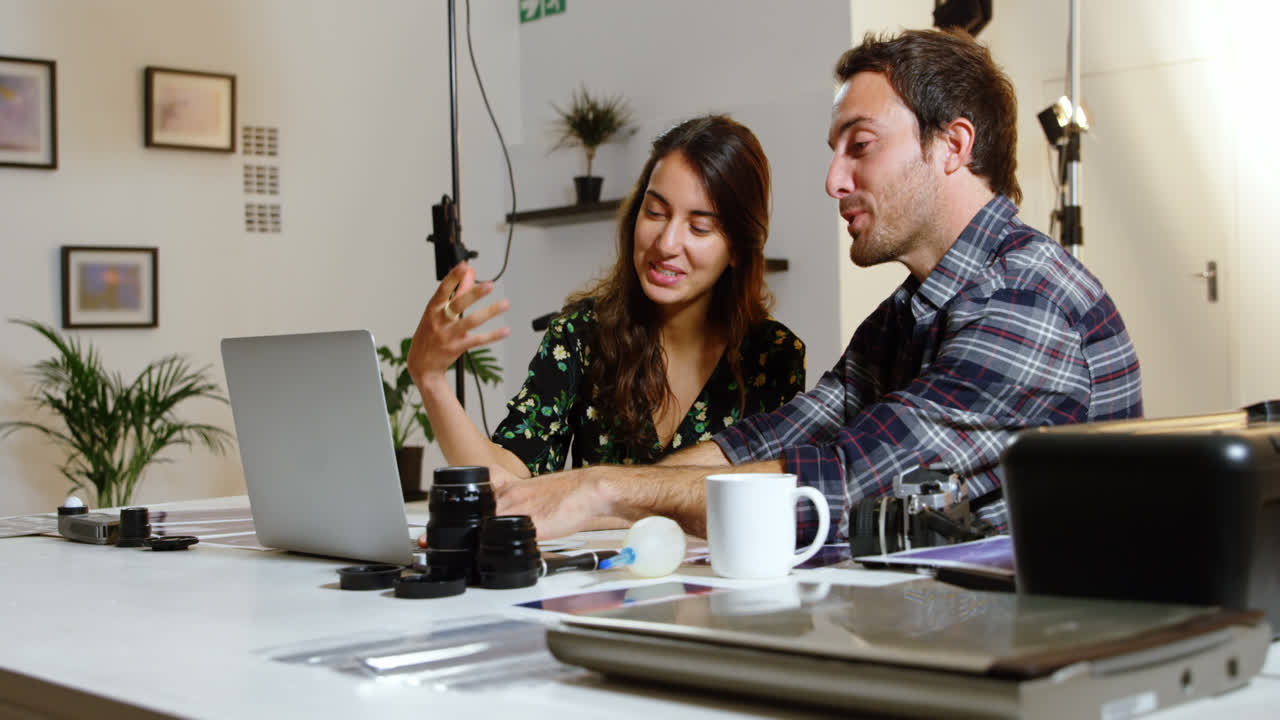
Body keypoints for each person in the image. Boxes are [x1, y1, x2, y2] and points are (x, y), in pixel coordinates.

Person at [488, 29, 1144, 541]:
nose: (833, 180)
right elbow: (791, 433)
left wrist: (603, 493)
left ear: (952, 146)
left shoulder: (1025, 301)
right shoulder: (910, 312)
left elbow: (849, 481)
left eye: (859, 146)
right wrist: (581, 491)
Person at [407, 114, 807, 533]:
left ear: (739, 248)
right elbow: (508, 483)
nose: (667, 244)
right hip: (596, 588)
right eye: (655, 212)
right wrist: (430, 377)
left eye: (699, 226)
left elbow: (768, 498)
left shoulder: (773, 356)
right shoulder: (580, 335)